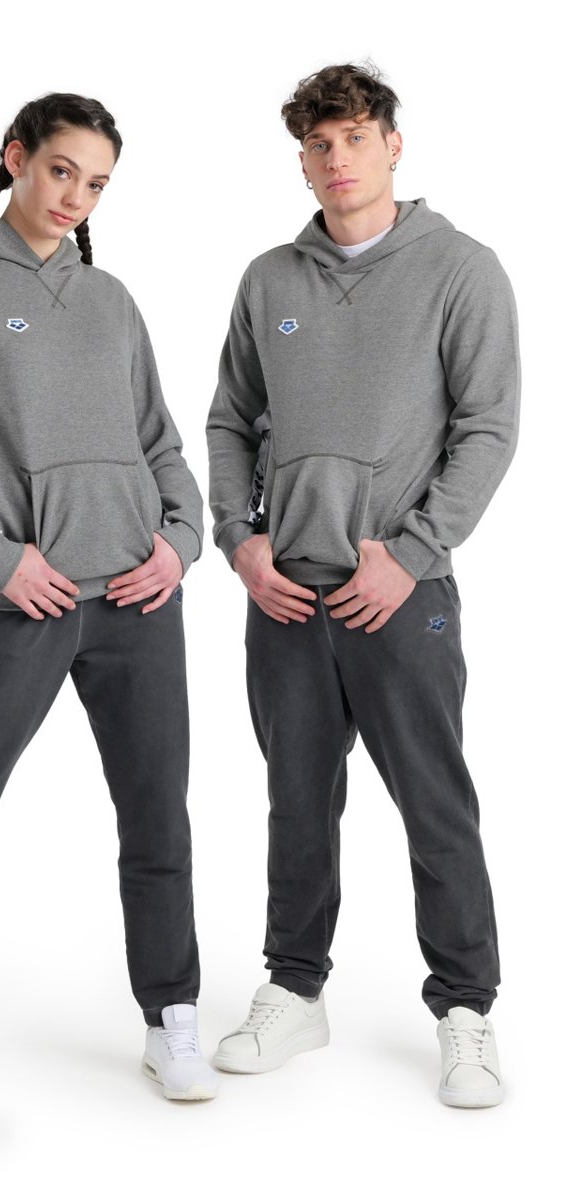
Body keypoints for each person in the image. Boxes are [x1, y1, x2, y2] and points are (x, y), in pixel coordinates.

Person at [0, 91, 219, 1127]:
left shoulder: (109, 298)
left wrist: (180, 541)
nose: (74, 197)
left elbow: (158, 442)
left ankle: (171, 1016)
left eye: (95, 184)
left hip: (138, 600)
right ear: (16, 157)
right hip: (16, 604)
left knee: (157, 817)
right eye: (61, 170)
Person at [205, 63, 519, 1107]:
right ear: (301, 160)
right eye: (318, 144)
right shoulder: (269, 280)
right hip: (284, 593)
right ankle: (294, 988)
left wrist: (412, 553)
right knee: (296, 798)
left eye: (353, 137)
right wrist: (240, 542)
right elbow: (228, 419)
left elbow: (487, 428)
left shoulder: (460, 270)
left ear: (392, 144)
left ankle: (465, 1010)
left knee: (433, 799)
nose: (336, 158)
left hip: (399, 590)